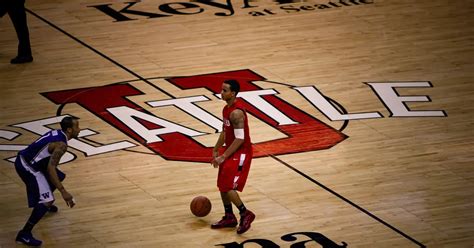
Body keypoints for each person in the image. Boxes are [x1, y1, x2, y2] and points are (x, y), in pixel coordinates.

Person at [14, 116, 79, 246]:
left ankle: (43, 207)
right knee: (47, 200)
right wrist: (63, 192)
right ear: (70, 130)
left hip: (29, 160)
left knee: (59, 176)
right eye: (77, 126)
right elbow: (51, 168)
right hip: (27, 166)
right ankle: (24, 234)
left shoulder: (58, 133)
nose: (79, 129)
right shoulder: (61, 145)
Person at [211, 79, 256, 234]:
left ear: (233, 93)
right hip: (232, 150)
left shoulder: (236, 113)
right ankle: (229, 216)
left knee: (228, 185)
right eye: (221, 89)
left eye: (225, 90)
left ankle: (245, 213)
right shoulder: (226, 109)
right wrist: (216, 148)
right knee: (222, 184)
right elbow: (225, 132)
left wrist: (223, 157)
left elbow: (240, 138)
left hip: (241, 152)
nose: (221, 92)